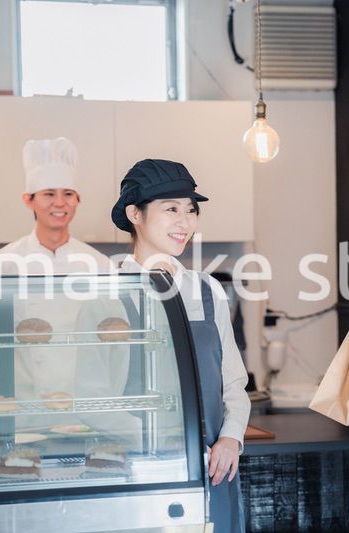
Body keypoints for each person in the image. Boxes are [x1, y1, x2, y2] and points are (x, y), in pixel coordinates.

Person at [110, 159, 250, 533]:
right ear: (134, 214)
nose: (185, 222)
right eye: (171, 209)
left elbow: (234, 382)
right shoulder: (108, 296)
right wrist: (173, 446)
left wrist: (231, 439)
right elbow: (96, 401)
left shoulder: (207, 290)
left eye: (191, 210)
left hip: (214, 470)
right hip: (143, 473)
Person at [0, 137, 114, 406]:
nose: (59, 203)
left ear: (78, 200)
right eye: (49, 194)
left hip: (84, 401)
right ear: (28, 200)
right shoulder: (1, 264)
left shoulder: (98, 264)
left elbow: (109, 338)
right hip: (23, 400)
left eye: (68, 194)